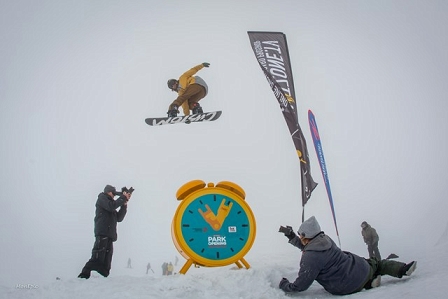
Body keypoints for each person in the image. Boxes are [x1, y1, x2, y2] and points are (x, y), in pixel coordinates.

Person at [278, 216, 417, 295]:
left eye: (301, 234)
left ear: (306, 236)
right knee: (377, 263)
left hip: (344, 286)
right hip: (360, 269)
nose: (300, 237)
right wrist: (291, 236)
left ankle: (369, 283)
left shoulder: (310, 257)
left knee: (368, 267)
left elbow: (300, 285)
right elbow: (308, 247)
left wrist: (284, 284)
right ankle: (402, 269)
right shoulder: (325, 239)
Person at [78, 185, 132, 279]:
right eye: (113, 193)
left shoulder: (111, 204)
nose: (114, 195)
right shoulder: (102, 198)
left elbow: (119, 218)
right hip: (103, 232)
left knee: (107, 261)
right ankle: (84, 276)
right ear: (108, 192)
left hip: (110, 235)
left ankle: (102, 279)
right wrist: (123, 197)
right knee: (98, 257)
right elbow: (111, 206)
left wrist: (124, 204)